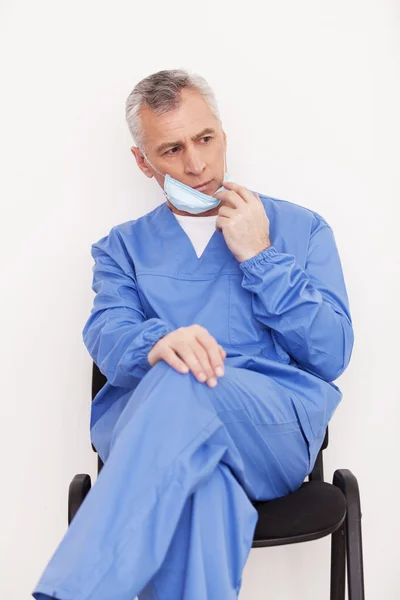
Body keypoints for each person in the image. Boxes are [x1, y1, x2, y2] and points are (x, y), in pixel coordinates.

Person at [32, 69, 354, 600]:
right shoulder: (122, 249)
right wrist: (154, 343)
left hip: (269, 433)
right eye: (172, 149)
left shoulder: (300, 228)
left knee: (183, 380)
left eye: (205, 139)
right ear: (143, 162)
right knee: (203, 493)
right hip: (160, 445)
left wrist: (262, 257)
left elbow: (332, 352)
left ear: (223, 134)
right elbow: (107, 329)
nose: (197, 164)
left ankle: (78, 590)